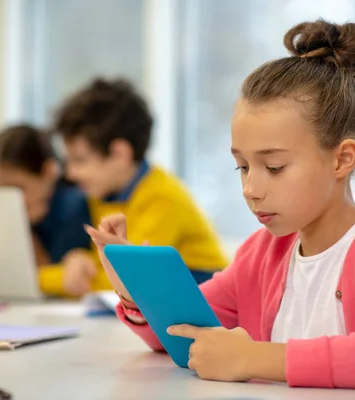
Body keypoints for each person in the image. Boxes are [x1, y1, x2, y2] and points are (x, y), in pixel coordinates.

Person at [85, 20, 355, 390]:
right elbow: (178, 337)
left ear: (342, 159)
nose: (250, 189)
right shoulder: (261, 255)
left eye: (274, 167)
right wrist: (133, 290)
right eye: (242, 166)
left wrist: (254, 358)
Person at [53, 78, 228, 296]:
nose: (70, 173)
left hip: (204, 298)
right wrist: (76, 259)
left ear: (119, 154)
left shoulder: (162, 198)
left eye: (79, 160)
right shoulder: (102, 193)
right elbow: (107, 263)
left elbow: (128, 279)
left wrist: (46, 277)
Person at [0, 124, 92, 295]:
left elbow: (59, 277)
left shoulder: (75, 205)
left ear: (49, 171)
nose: (10, 199)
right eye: (1, 190)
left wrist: (24, 230)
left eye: (18, 188)